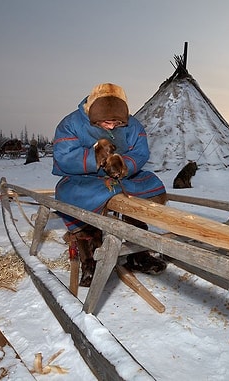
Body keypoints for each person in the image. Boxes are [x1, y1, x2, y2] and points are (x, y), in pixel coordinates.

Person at [52, 83, 167, 286]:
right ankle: (90, 262)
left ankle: (137, 254)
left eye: (117, 122)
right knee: (79, 203)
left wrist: (123, 165)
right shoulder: (71, 123)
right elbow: (63, 157)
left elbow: (140, 153)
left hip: (122, 178)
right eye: (107, 122)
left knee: (146, 193)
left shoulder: (133, 126)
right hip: (83, 178)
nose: (112, 127)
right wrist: (94, 157)